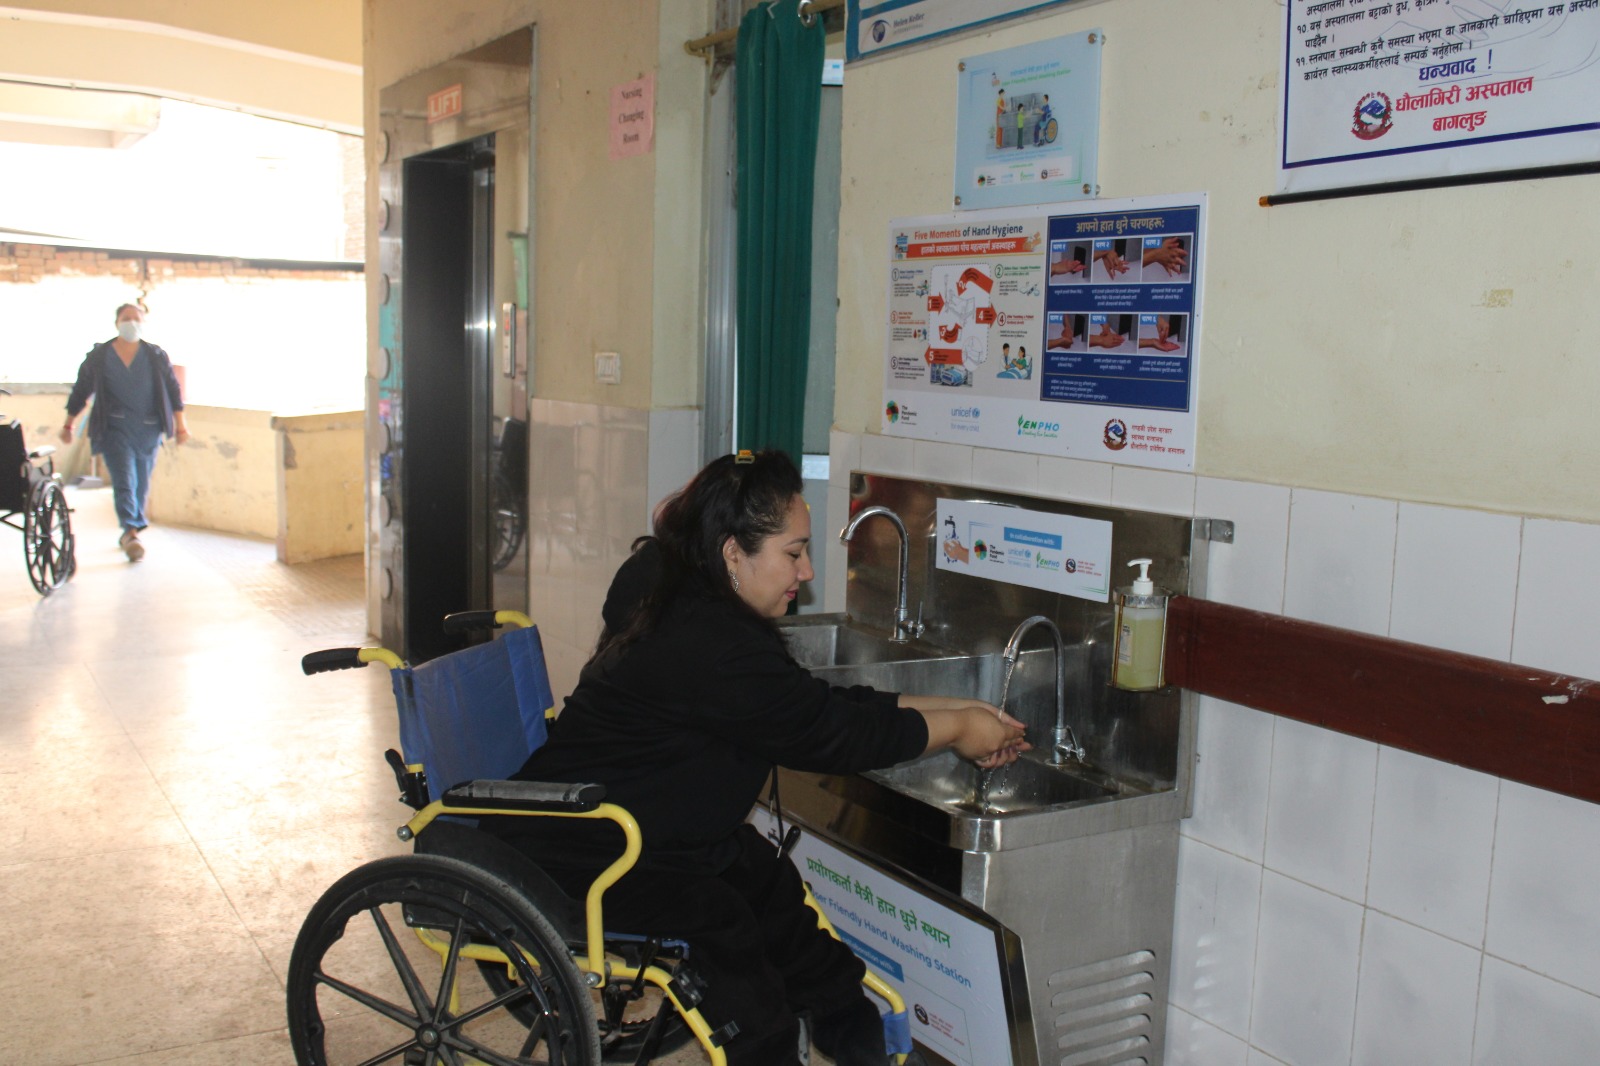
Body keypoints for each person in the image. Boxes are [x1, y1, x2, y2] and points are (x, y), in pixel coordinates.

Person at [484, 451, 1028, 1066]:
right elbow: (830, 734)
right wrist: (957, 727)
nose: (807, 570)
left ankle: (855, 1036)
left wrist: (959, 711)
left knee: (765, 882)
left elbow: (812, 703)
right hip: (585, 845)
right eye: (793, 553)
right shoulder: (708, 641)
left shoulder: (681, 587)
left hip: (655, 829)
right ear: (732, 553)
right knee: (724, 924)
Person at [61, 303, 188, 561]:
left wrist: (181, 425)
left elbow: (173, 390)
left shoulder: (155, 356)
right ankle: (130, 531)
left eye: (136, 318)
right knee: (124, 479)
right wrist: (69, 423)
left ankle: (132, 529)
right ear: (117, 322)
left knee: (141, 482)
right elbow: (81, 389)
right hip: (113, 429)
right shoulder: (100, 356)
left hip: (148, 429)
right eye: (126, 318)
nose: (131, 323)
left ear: (143, 323)